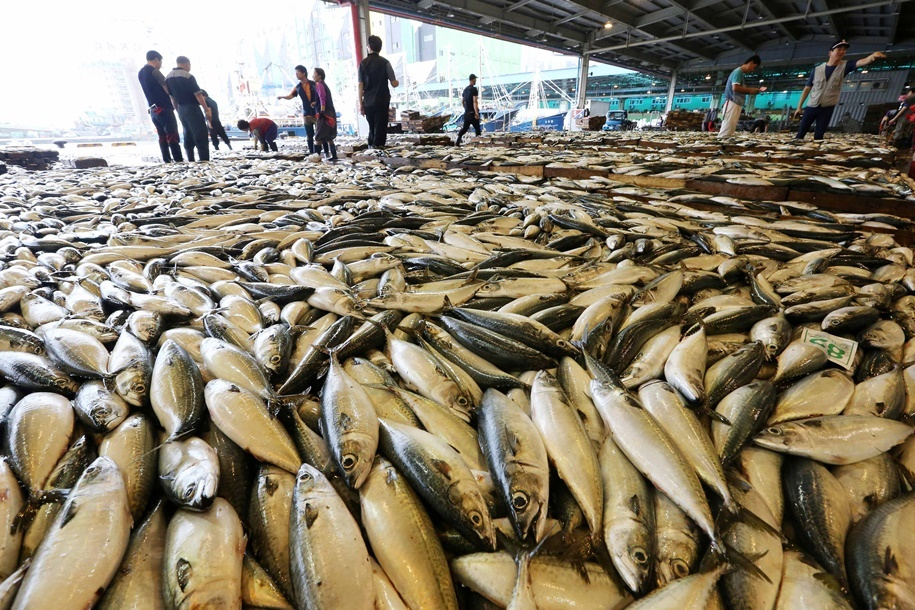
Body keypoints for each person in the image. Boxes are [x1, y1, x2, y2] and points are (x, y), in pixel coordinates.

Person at [793, 41, 886, 140]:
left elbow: (861, 62)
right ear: (830, 53)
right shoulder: (817, 70)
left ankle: (815, 153)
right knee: (801, 133)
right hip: (811, 106)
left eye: (844, 50)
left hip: (827, 108)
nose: (842, 51)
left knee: (819, 135)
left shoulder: (845, 66)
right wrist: (799, 107)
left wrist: (872, 56)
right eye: (839, 49)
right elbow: (807, 88)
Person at [137, 50, 183, 163]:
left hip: (153, 111)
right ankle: (178, 160)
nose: (161, 65)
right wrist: (175, 101)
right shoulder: (155, 72)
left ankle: (167, 160)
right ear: (156, 59)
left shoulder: (140, 73)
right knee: (172, 135)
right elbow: (167, 88)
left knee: (162, 136)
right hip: (164, 108)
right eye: (160, 62)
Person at [165, 56, 211, 162]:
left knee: (188, 134)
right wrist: (206, 109)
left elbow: (172, 98)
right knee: (200, 134)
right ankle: (204, 160)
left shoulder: (168, 77)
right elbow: (198, 95)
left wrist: (178, 110)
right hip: (192, 108)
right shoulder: (188, 76)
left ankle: (191, 160)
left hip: (181, 109)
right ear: (187, 63)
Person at [358, 35, 399, 148]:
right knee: (380, 127)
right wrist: (398, 82)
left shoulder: (362, 64)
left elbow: (360, 85)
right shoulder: (385, 63)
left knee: (372, 127)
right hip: (382, 100)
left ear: (369, 47)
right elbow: (394, 83)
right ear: (380, 48)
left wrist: (361, 104)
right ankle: (378, 149)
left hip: (368, 101)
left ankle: (371, 148)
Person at [718, 55, 766, 138]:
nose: (752, 70)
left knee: (730, 128)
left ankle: (724, 146)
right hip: (732, 102)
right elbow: (735, 88)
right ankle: (721, 145)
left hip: (735, 103)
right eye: (753, 67)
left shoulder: (739, 73)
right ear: (750, 63)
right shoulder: (738, 72)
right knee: (727, 128)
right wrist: (750, 90)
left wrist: (752, 90)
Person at [278, 65, 317, 154]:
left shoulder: (314, 84)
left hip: (316, 113)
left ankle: (324, 152)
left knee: (320, 135)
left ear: (304, 73)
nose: (296, 75)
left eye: (298, 72)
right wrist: (283, 97)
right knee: (309, 135)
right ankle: (312, 153)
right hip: (306, 114)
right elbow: (290, 96)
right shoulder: (298, 87)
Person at [313, 68, 338, 161]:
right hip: (331, 112)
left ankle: (316, 157)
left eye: (314, 74)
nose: (313, 76)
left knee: (318, 136)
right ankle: (334, 155)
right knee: (329, 135)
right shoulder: (324, 85)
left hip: (325, 113)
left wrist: (322, 111)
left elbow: (322, 97)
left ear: (319, 75)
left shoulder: (319, 84)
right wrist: (316, 103)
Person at [455, 74, 481, 146]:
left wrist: (466, 108)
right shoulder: (474, 89)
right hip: (472, 113)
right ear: (473, 80)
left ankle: (457, 142)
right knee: (478, 129)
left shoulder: (465, 90)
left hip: (466, 113)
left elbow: (462, 102)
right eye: (475, 79)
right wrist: (476, 113)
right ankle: (477, 144)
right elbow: (474, 102)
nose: (475, 81)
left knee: (464, 129)